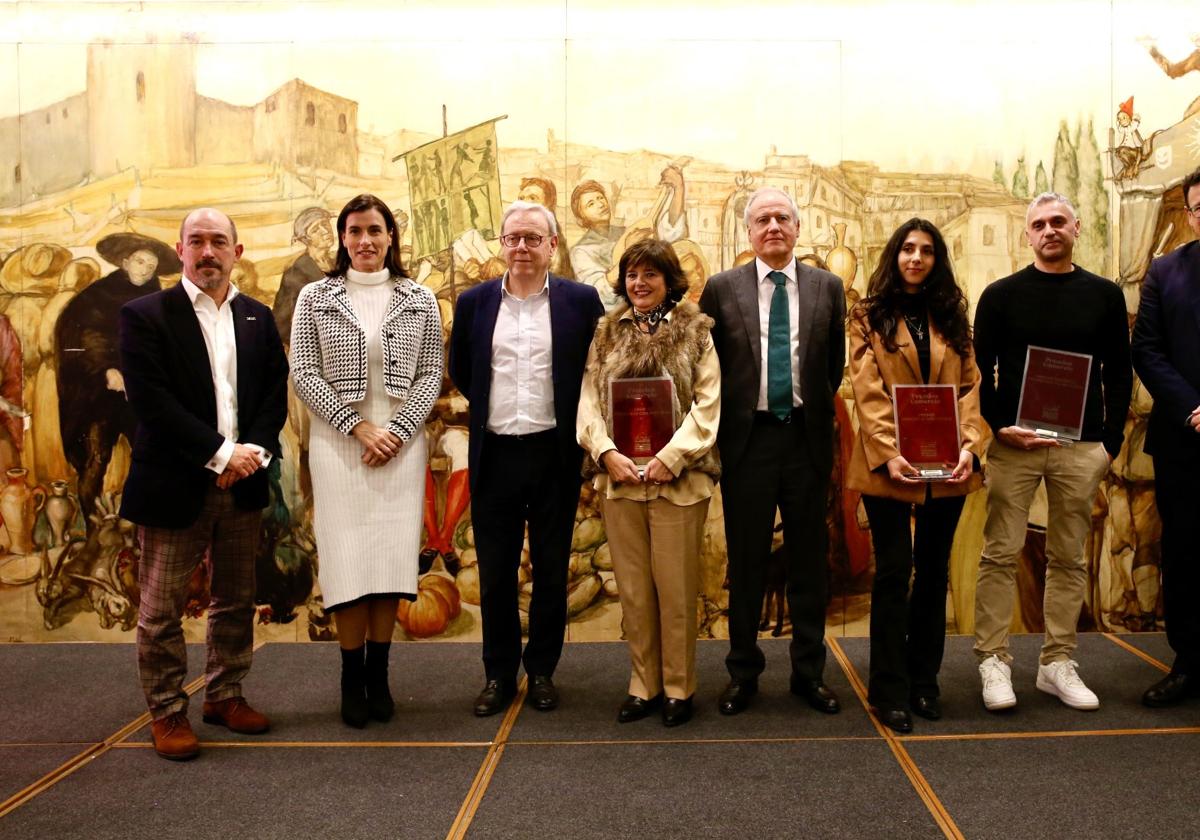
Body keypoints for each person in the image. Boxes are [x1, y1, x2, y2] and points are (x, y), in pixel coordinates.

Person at [118, 208, 288, 760]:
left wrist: (251, 455)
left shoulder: (258, 318)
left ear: (238, 252)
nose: (208, 251)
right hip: (175, 485)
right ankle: (167, 711)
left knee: (236, 599)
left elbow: (272, 393)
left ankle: (225, 694)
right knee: (161, 610)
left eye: (220, 242)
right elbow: (152, 403)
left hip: (242, 486)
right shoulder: (146, 315)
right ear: (180, 249)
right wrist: (220, 455)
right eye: (198, 241)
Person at [973, 192, 1132, 712]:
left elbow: (1118, 371)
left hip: (1081, 446)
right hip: (1014, 446)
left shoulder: (1104, 296)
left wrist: (1109, 443)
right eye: (1038, 224)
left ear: (1076, 227)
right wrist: (999, 428)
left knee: (1067, 557)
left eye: (1058, 221)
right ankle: (994, 661)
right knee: (1000, 553)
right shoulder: (999, 296)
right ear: (1027, 235)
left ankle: (1056, 661)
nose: (1049, 230)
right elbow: (983, 373)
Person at [290, 194, 443, 728]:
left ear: (391, 236)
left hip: (400, 450)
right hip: (340, 448)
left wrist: (396, 432)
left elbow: (430, 374)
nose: (365, 241)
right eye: (354, 231)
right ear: (341, 238)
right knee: (348, 561)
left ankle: (379, 675)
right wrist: (358, 427)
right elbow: (304, 373)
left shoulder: (419, 296)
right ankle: (350, 677)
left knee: (389, 564)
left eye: (374, 230)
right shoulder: (316, 296)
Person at [449, 200, 603, 716]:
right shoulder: (473, 304)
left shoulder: (581, 303)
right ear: (501, 243)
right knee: (495, 574)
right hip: (495, 456)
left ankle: (541, 671)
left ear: (552, 246)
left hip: (553, 455)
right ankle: (497, 674)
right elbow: (464, 370)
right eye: (514, 237)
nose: (522, 247)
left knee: (552, 571)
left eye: (533, 238)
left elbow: (594, 372)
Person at [699, 187, 846, 717]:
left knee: (809, 564)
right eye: (762, 219)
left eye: (783, 217)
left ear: (798, 228)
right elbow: (708, 368)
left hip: (805, 439)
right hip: (748, 442)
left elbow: (834, 366)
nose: (773, 226)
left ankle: (809, 674)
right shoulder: (720, 289)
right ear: (749, 232)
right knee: (748, 563)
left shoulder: (828, 288)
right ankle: (743, 673)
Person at [846, 219, 987, 733]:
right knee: (892, 573)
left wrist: (971, 444)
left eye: (927, 250)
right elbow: (868, 391)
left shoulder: (952, 314)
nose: (916, 258)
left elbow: (970, 387)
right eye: (907, 248)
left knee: (931, 574)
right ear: (895, 255)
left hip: (949, 466)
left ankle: (924, 682)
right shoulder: (867, 315)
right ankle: (888, 688)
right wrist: (889, 453)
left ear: (937, 259)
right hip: (891, 467)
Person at [576, 238, 720, 727]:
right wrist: (606, 452)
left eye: (650, 275)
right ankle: (644, 684)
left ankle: (679, 687)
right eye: (632, 275)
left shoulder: (697, 330)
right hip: (620, 481)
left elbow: (708, 404)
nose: (639, 283)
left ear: (669, 281)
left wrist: (670, 457)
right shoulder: (604, 334)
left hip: (678, 481)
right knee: (635, 591)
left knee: (676, 590)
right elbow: (588, 402)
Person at [1131, 165, 1200, 707]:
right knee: (1184, 552)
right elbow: (1147, 350)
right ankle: (1188, 662)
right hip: (1186, 438)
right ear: (1190, 215)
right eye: (1199, 208)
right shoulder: (1164, 271)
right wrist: (1194, 409)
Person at [57, 232, 181, 526]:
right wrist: (106, 370)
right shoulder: (96, 296)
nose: (145, 270)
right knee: (96, 458)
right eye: (139, 261)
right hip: (98, 395)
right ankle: (93, 529)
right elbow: (83, 336)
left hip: (140, 393)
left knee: (150, 452)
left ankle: (142, 523)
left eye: (150, 265)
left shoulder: (157, 299)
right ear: (125, 261)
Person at [570, 169, 686, 309]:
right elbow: (599, 293)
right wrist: (628, 251)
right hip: (612, 322)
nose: (600, 204)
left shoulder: (625, 232)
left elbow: (669, 238)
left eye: (601, 198)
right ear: (581, 218)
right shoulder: (580, 251)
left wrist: (678, 190)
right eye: (591, 204)